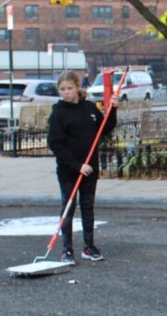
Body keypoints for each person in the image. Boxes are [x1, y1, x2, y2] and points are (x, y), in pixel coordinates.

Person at [47, 70, 119, 265]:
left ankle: (89, 246)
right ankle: (67, 249)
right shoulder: (59, 113)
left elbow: (105, 128)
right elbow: (55, 143)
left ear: (78, 88)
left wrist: (112, 109)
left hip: (90, 169)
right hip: (69, 170)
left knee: (88, 208)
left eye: (69, 88)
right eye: (62, 89)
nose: (66, 93)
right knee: (68, 208)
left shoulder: (89, 108)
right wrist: (77, 165)